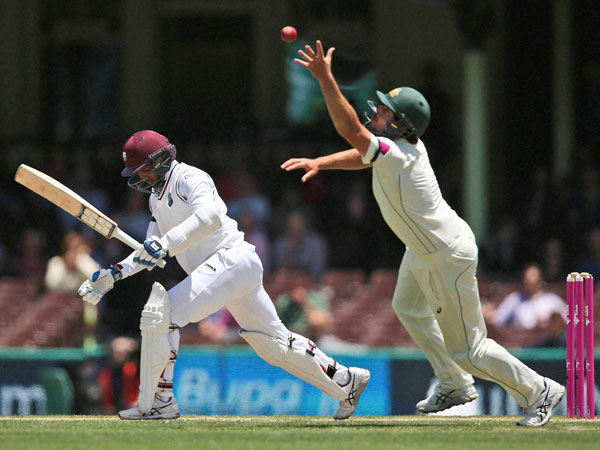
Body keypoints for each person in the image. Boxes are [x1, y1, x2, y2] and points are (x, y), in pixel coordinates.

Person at [281, 40, 564, 427]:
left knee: (471, 350)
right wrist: (321, 162)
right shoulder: (395, 149)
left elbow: (350, 131)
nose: (378, 112)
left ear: (401, 124)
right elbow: (364, 154)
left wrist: (326, 79)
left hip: (446, 254)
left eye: (386, 110)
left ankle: (539, 391)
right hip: (423, 247)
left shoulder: (397, 154)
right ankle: (454, 383)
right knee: (408, 306)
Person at [78, 130, 370, 420]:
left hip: (231, 260)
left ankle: (160, 401)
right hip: (229, 271)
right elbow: (149, 250)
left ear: (161, 159)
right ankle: (347, 381)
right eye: (138, 173)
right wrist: (114, 274)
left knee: (162, 313)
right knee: (273, 345)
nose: (143, 177)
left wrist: (164, 245)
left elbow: (209, 217)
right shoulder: (156, 200)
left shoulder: (189, 178)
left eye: (145, 169)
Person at [485, 263, 566, 347]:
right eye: (528, 280)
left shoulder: (552, 300)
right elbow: (498, 319)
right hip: (521, 347)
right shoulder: (514, 299)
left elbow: (569, 319)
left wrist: (549, 321)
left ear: (540, 280)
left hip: (547, 347)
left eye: (534, 280)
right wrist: (487, 314)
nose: (530, 283)